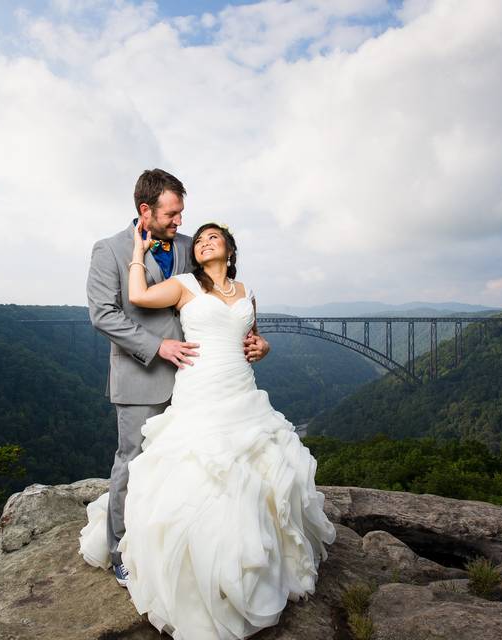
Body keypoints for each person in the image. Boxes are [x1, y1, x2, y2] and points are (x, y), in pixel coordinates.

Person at [80, 220, 337, 639]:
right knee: (201, 473)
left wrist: (264, 346)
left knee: (258, 470)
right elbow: (137, 295)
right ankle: (204, 568)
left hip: (241, 388)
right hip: (200, 387)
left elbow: (251, 336)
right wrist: (136, 254)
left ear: (230, 250)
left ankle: (255, 563)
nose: (202, 243)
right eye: (198, 240)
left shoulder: (247, 291)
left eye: (212, 237)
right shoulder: (184, 285)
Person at [85, 169, 271, 587]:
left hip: (198, 381)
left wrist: (256, 341)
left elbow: (222, 300)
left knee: (192, 469)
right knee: (133, 462)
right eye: (172, 214)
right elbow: (103, 314)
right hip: (141, 375)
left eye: (181, 213)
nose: (179, 222)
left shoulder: (191, 246)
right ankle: (121, 551)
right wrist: (157, 346)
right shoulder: (109, 250)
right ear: (145, 210)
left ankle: (180, 551)